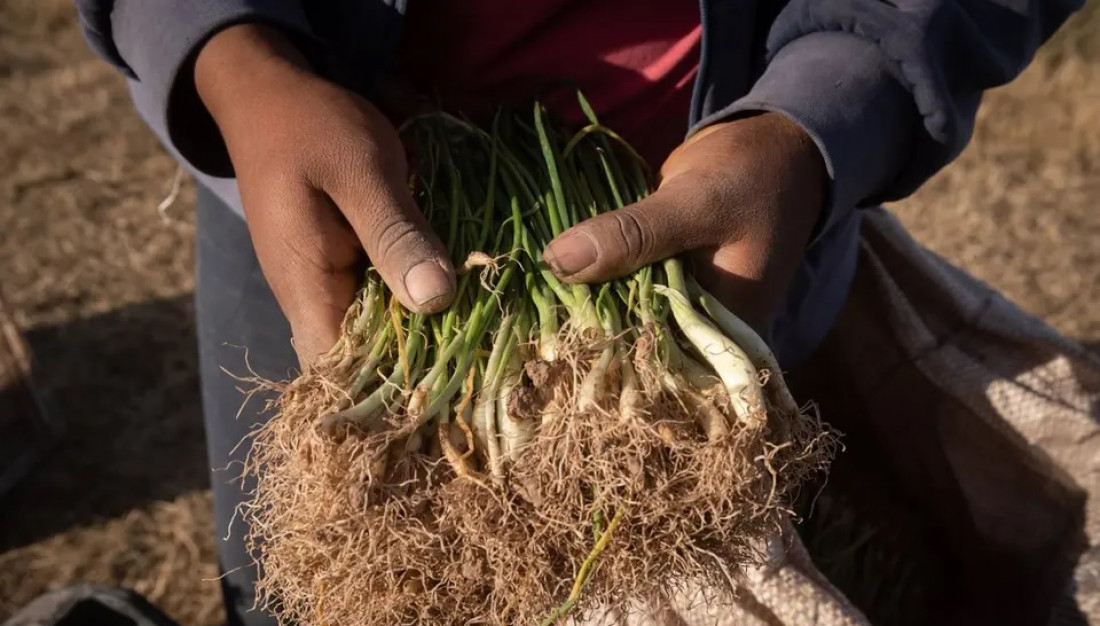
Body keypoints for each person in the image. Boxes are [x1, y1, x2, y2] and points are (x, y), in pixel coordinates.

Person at [73, 1, 1082, 624]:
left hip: (691, 195)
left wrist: (824, 109)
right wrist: (226, 54)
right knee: (297, 576)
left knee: (684, 541)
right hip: (316, 184)